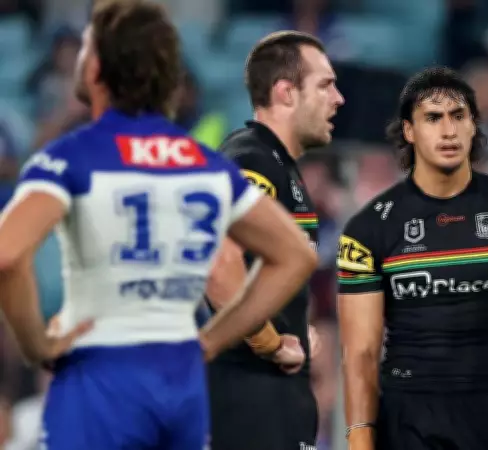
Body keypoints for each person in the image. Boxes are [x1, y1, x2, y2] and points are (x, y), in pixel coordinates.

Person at [0, 2, 317, 448]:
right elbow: (295, 255)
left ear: (96, 70)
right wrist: (214, 340)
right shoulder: (206, 165)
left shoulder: (70, 157)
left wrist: (37, 345)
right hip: (181, 382)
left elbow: (7, 255)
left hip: (100, 378)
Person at [337, 66, 488, 450]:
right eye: (433, 118)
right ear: (409, 130)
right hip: (409, 422)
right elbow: (361, 351)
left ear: (474, 126)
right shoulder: (368, 229)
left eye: (459, 116)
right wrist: (360, 437)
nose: (448, 130)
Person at [204, 30, 343, 450]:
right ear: (286, 93)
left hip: (273, 403)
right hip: (249, 402)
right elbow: (219, 264)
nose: (338, 99)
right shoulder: (252, 159)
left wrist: (294, 327)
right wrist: (270, 341)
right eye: (325, 85)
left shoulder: (280, 167)